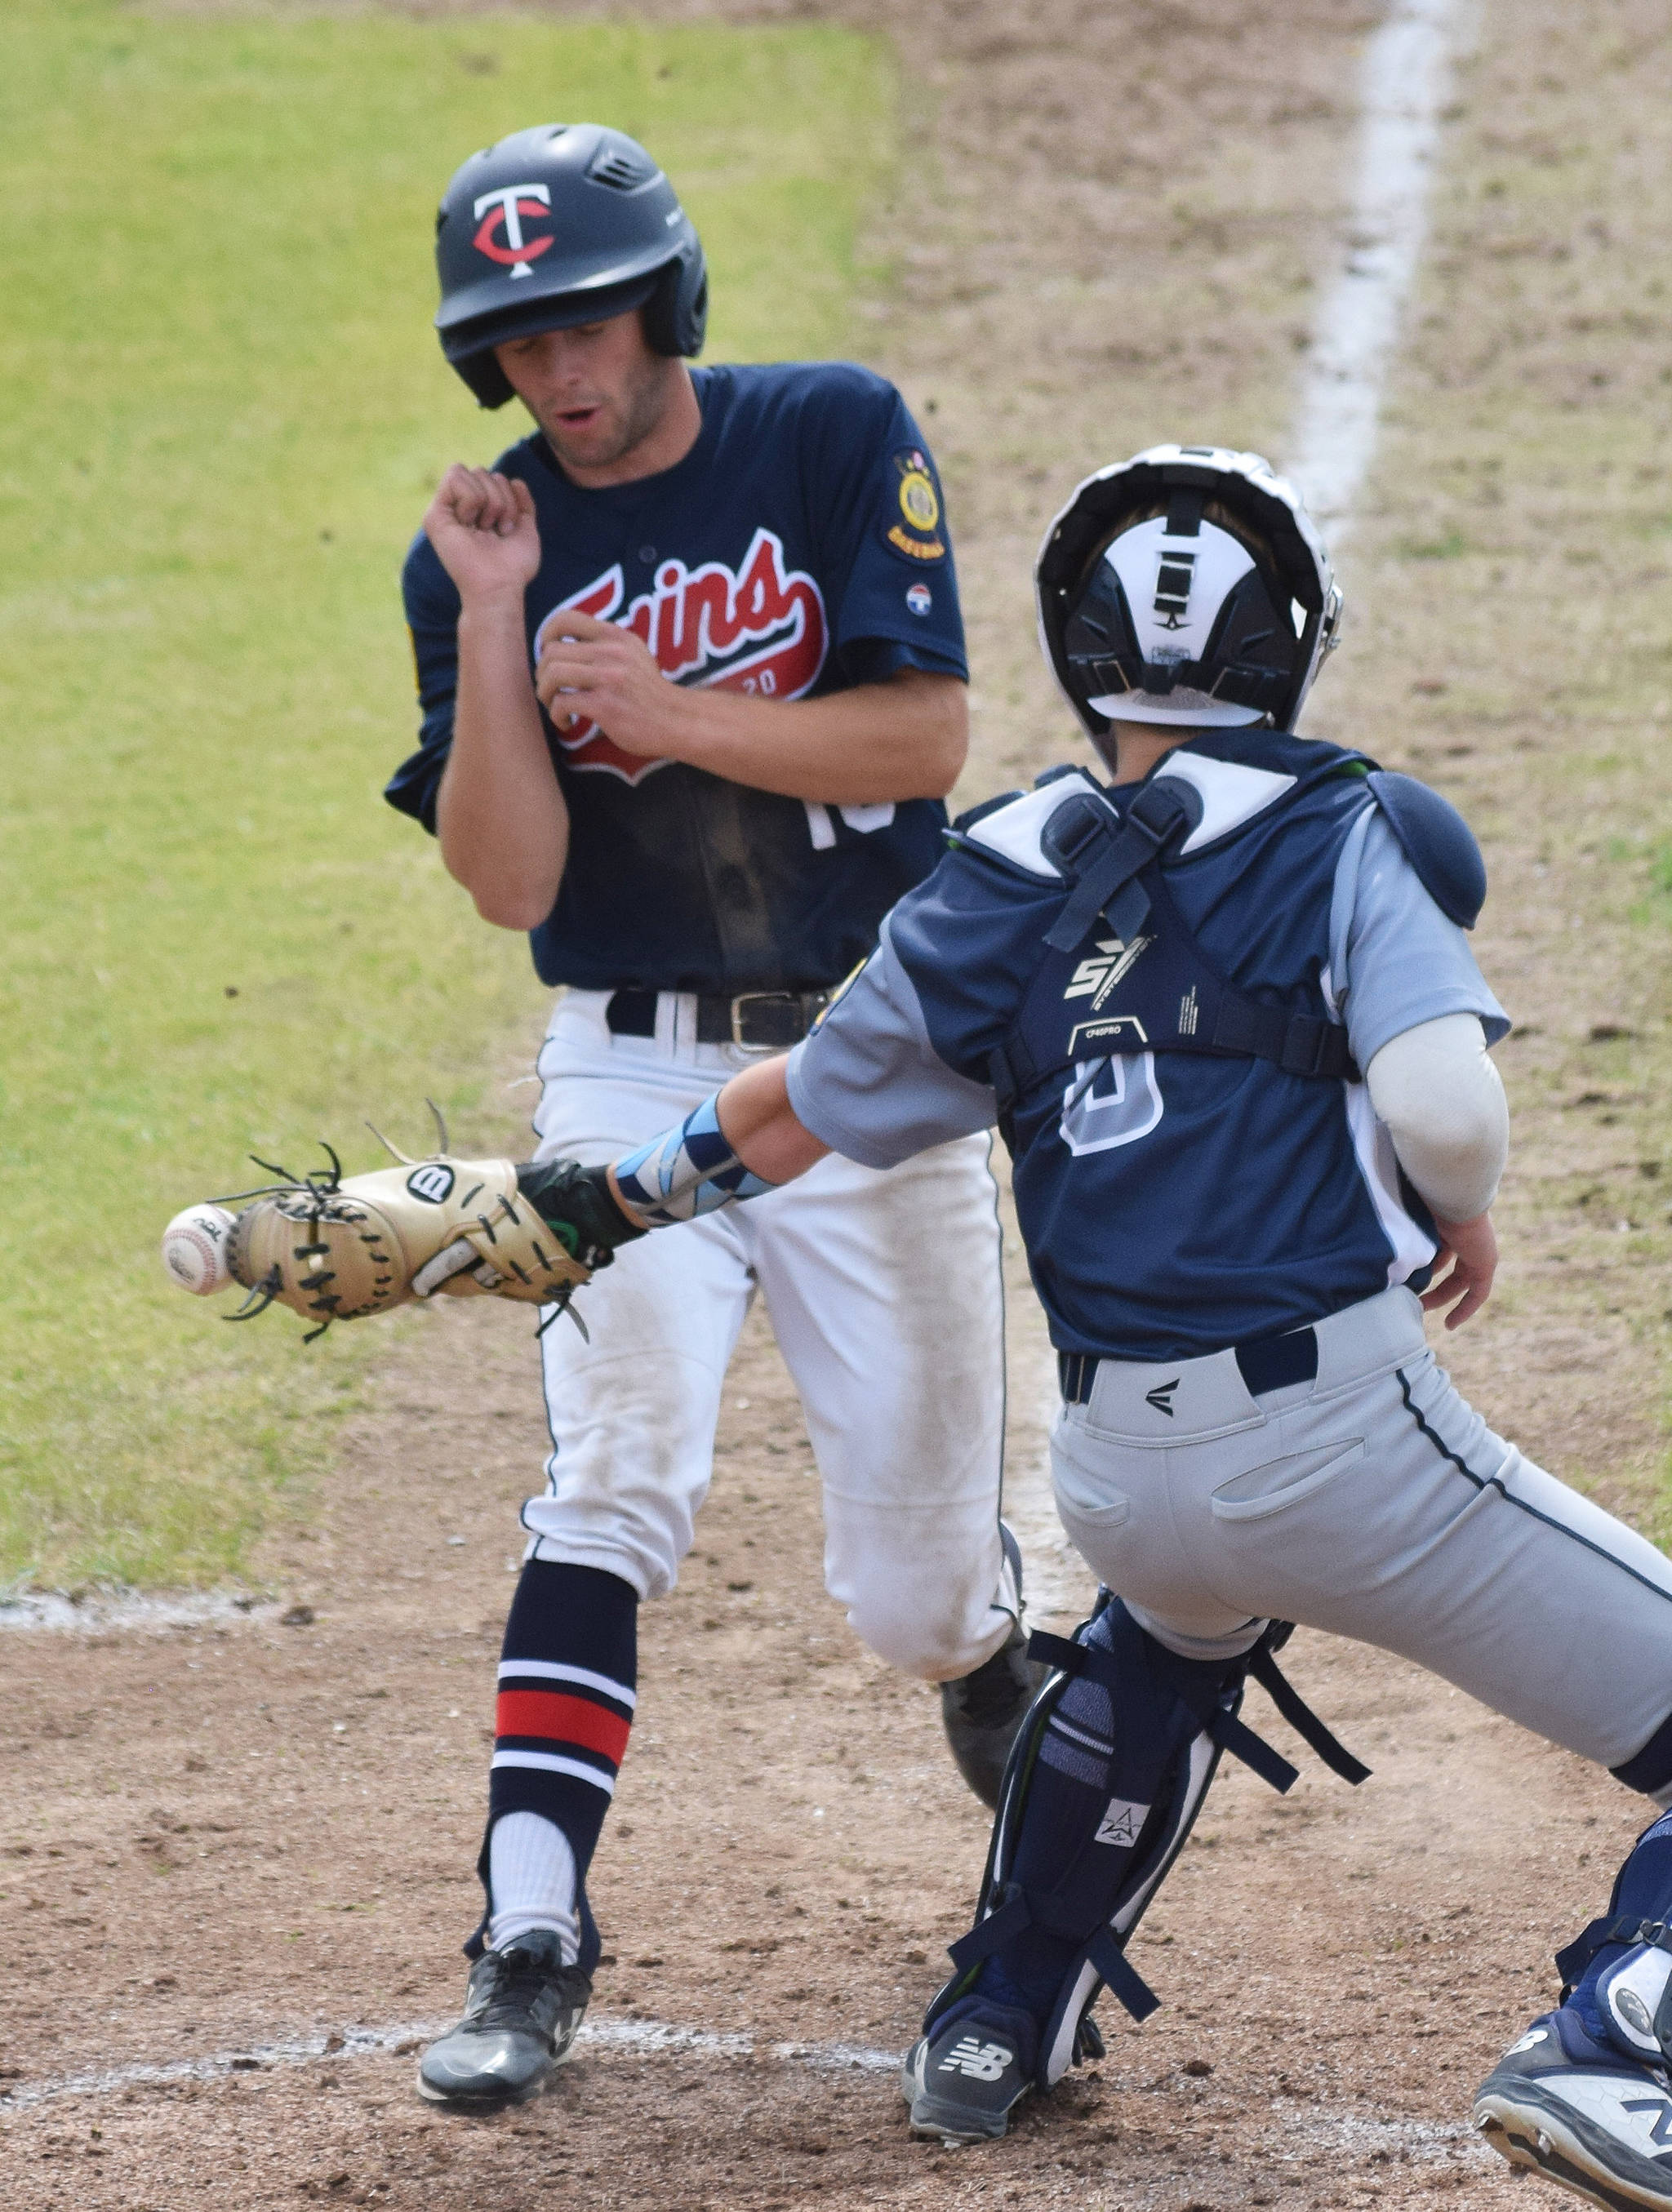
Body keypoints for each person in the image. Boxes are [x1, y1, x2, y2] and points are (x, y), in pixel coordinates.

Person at [499, 444, 1672, 2208]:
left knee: (1162, 1638)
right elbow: (1446, 1116)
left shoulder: (1000, 868)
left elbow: (797, 1103)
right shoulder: (1349, 818)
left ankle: (1004, 2005)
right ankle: (1618, 2047)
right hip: (1345, 1450)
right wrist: (1458, 1198)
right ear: (1294, 638)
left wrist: (607, 1197)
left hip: (1122, 1472)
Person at [385, 122, 1038, 2111]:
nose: (559, 372)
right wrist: (499, 622)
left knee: (916, 1596)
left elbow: (921, 736)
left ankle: (1002, 1698)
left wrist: (664, 712)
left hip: (864, 1060)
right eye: (516, 342)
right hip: (625, 1059)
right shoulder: (470, 547)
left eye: (584, 320)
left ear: (661, 301)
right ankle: (528, 1927)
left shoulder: (831, 433)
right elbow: (507, 881)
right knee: (615, 1464)